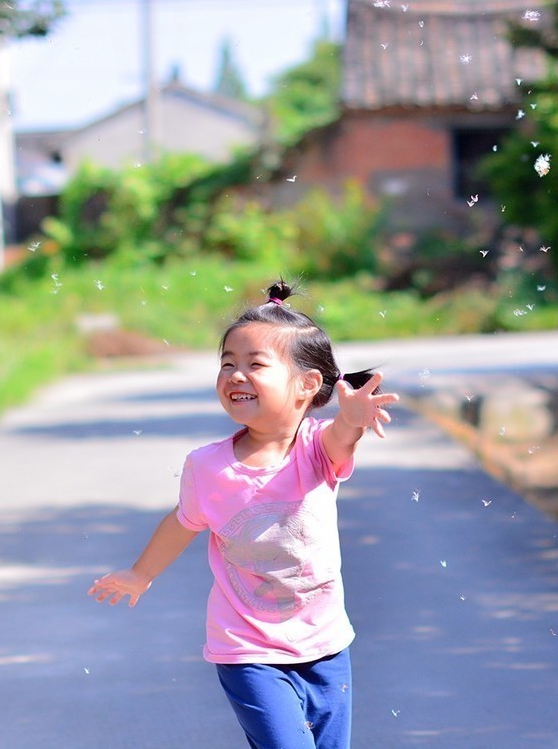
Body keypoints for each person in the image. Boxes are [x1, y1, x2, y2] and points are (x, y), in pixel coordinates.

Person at [88, 279, 399, 749]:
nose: (235, 375)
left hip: (325, 644)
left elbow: (340, 439)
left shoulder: (314, 448)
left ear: (307, 385)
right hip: (246, 647)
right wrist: (139, 573)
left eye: (255, 365)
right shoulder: (207, 466)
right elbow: (182, 523)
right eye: (227, 363)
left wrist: (351, 420)